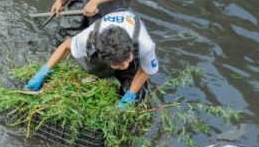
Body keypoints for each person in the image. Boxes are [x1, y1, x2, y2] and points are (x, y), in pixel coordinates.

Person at [24, 10, 158, 109]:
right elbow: (65, 46)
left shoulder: (144, 44)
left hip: (130, 24)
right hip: (106, 28)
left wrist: (129, 95)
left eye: (128, 59)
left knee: (137, 97)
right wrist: (43, 72)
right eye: (118, 64)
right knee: (91, 67)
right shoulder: (87, 38)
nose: (125, 65)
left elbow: (146, 70)